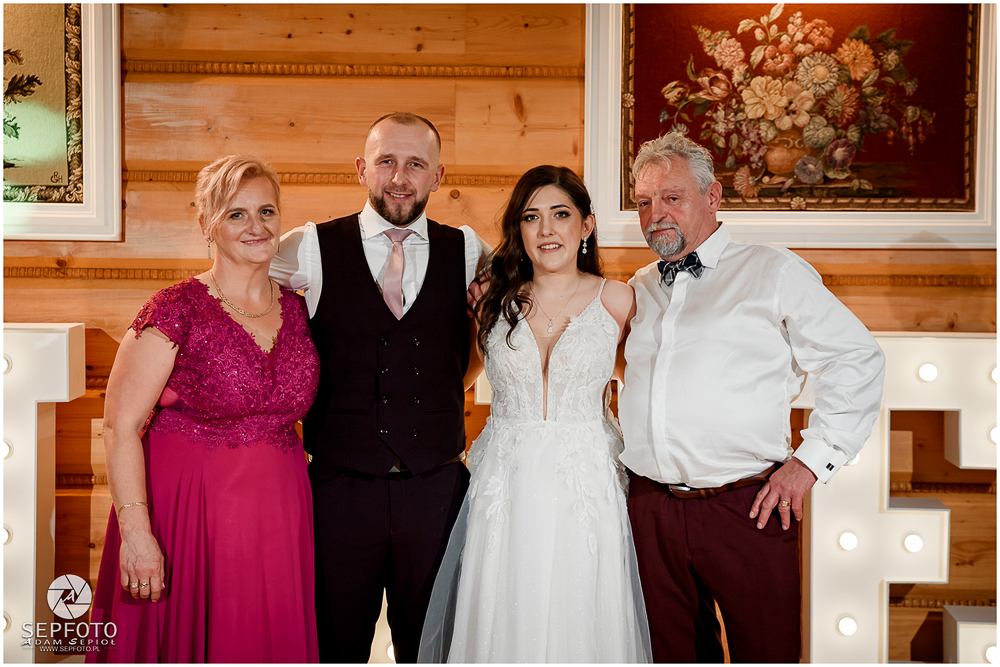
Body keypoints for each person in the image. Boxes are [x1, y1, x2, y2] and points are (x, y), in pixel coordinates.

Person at [618, 132, 885, 663]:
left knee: (767, 653)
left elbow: (856, 358)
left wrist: (808, 464)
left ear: (713, 196)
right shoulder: (638, 286)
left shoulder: (773, 271)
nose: (655, 214)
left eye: (672, 197)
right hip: (649, 511)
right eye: (644, 202)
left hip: (748, 508)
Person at [269, 112, 489, 663]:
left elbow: (513, 314)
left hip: (436, 489)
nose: (399, 177)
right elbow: (236, 283)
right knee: (334, 646)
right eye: (386, 161)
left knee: (434, 647)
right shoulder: (310, 247)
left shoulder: (468, 250)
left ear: (438, 175)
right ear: (361, 168)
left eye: (415, 164)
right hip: (340, 490)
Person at [88, 155, 320, 662]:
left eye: (266, 211)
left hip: (280, 514)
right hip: (188, 515)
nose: (256, 226)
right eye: (237, 214)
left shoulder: (300, 308)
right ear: (206, 225)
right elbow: (119, 426)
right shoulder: (176, 308)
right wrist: (136, 532)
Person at [419, 165, 652, 663]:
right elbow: (460, 377)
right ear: (519, 230)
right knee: (503, 612)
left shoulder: (617, 299)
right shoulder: (492, 301)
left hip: (585, 484)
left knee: (582, 612)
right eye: (531, 217)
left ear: (586, 225)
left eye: (560, 214)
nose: (546, 229)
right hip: (507, 483)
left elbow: (642, 386)